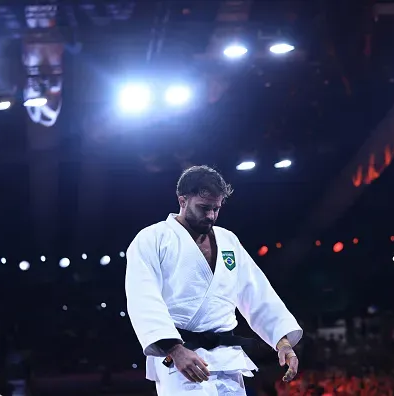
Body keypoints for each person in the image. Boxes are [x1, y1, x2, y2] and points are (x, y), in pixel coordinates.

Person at [126, 165, 302, 396]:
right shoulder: (152, 239)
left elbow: (256, 292)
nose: (210, 215)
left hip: (228, 359)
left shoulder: (228, 240)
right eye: (204, 208)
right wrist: (175, 350)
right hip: (180, 360)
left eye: (216, 208)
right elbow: (143, 298)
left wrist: (282, 341)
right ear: (182, 200)